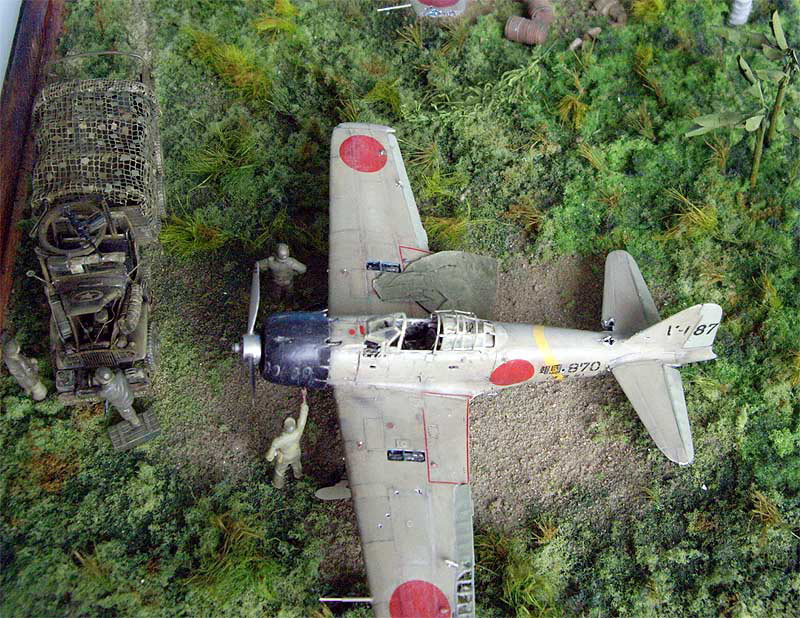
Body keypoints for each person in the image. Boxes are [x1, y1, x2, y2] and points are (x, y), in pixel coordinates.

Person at [266, 388, 309, 488]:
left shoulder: (278, 441)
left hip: (284, 457)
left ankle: (278, 485)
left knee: (279, 471)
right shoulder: (298, 432)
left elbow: (269, 458)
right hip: (296, 453)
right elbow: (303, 416)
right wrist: (304, 397)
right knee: (297, 465)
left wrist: (275, 453)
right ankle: (298, 476)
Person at [2, 336, 47, 401]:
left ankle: (5, 338)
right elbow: (28, 370)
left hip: (19, 366)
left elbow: (27, 369)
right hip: (18, 367)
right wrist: (33, 364)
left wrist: (33, 363)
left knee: (8, 345)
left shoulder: (32, 380)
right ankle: (5, 339)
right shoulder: (29, 383)